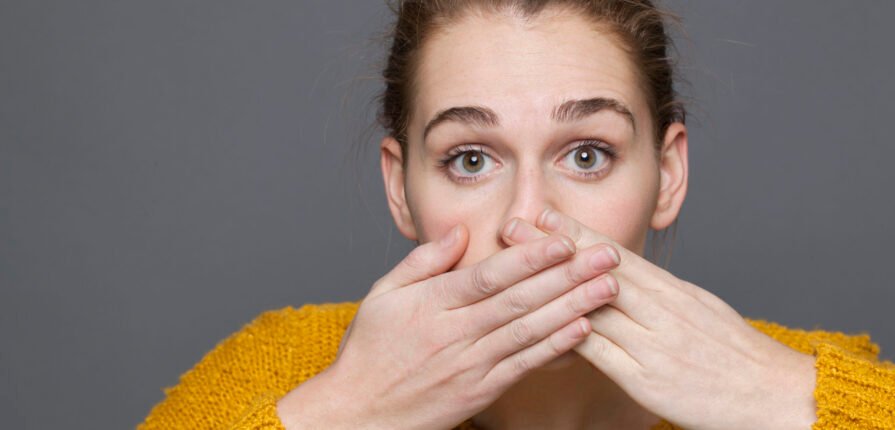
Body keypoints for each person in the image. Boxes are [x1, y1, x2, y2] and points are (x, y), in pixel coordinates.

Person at [138, 1, 895, 429]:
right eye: (471, 160)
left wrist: (786, 401)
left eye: (587, 154)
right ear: (401, 189)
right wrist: (343, 411)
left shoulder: (816, 385)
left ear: (667, 174)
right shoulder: (280, 373)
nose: (529, 222)